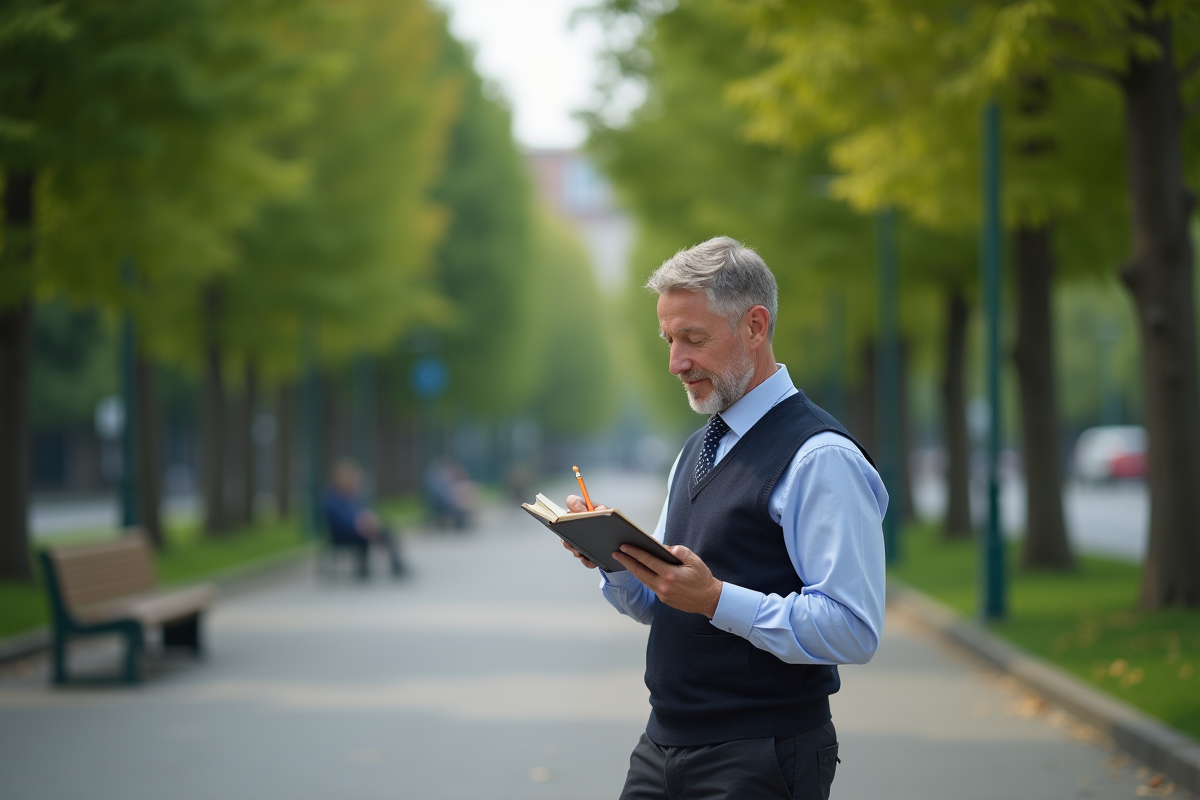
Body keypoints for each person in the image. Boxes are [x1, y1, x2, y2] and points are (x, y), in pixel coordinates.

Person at [561, 237, 887, 800]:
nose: (676, 362)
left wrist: (714, 599)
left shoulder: (820, 456)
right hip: (662, 746)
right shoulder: (697, 449)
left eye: (694, 339)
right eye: (669, 339)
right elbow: (657, 600)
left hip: (763, 753)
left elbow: (853, 628)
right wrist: (611, 557)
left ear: (755, 327)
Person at [323, 460, 407, 578]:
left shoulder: (351, 495)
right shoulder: (333, 497)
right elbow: (342, 520)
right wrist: (360, 522)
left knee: (383, 528)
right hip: (342, 534)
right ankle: (393, 564)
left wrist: (366, 519)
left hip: (354, 530)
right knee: (373, 531)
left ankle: (395, 562)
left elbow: (361, 511)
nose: (352, 481)